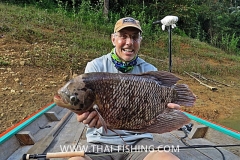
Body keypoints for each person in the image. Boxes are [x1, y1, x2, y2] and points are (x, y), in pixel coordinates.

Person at [69, 17, 180, 160]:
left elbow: (158, 118)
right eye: (123, 36)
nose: (129, 42)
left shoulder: (150, 70)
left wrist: (166, 113)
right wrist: (84, 116)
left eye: (134, 37)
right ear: (113, 39)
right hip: (101, 143)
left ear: (140, 41)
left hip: (140, 141)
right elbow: (82, 105)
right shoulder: (95, 67)